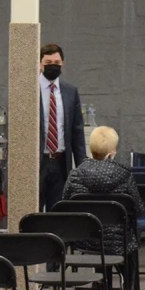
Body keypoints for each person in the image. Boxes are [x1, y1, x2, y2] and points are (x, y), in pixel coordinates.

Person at [62, 125, 145, 290]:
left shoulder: (75, 174)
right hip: (120, 239)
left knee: (98, 233)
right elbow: (137, 208)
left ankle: (100, 289)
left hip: (85, 238)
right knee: (127, 240)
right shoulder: (124, 175)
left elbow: (64, 204)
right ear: (112, 153)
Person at [39, 43, 87, 212]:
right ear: (39, 64)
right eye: (48, 61)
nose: (53, 65)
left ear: (63, 63)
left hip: (61, 162)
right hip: (37, 161)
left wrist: (82, 166)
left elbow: (77, 131)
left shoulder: (70, 91)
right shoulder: (30, 90)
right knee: (32, 210)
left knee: (58, 211)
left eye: (57, 62)